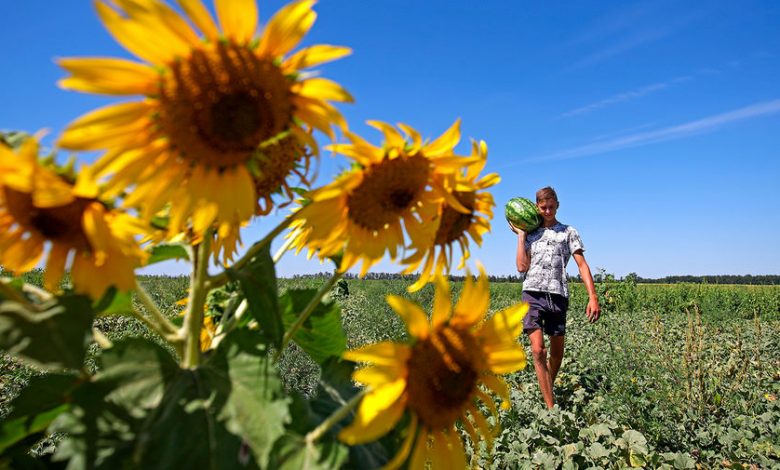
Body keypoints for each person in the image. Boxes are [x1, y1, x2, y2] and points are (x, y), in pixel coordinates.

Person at [509, 186, 600, 409]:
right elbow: (522, 267)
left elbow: (582, 265)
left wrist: (593, 296)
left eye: (551, 206)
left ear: (557, 205)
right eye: (543, 207)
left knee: (557, 354)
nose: (548, 211)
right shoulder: (531, 233)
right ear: (537, 208)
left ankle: (546, 386)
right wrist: (521, 236)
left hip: (558, 294)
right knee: (538, 350)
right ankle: (551, 408)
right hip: (532, 293)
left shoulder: (569, 232)